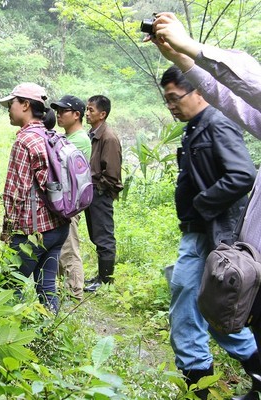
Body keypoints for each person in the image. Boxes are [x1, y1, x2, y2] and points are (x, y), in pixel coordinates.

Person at [149, 12, 261, 400]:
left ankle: (203, 386)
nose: (171, 107)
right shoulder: (200, 125)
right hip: (206, 233)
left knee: (192, 302)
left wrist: (201, 203)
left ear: (196, 92)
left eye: (174, 98)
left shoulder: (216, 124)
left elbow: (241, 174)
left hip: (214, 234)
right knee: (212, 311)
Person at [0, 83, 70, 313]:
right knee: (47, 286)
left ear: (26, 105)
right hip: (59, 227)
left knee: (9, 287)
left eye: (12, 104)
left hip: (33, 231)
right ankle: (52, 335)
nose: (9, 109)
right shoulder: (52, 136)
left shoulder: (24, 141)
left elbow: (14, 193)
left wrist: (8, 234)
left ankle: (7, 339)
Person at [50, 95, 92, 300]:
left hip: (69, 203)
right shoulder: (67, 138)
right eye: (57, 111)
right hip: (63, 203)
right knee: (62, 249)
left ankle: (75, 293)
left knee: (69, 249)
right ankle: (65, 290)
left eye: (63, 111)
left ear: (76, 115)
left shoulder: (79, 140)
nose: (59, 115)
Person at [83, 95, 123, 292]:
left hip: (100, 192)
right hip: (93, 191)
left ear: (102, 114)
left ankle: (106, 282)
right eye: (87, 109)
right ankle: (101, 276)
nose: (87, 113)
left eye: (91, 110)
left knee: (104, 236)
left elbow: (112, 173)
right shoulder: (93, 134)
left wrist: (100, 188)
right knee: (96, 234)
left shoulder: (109, 137)